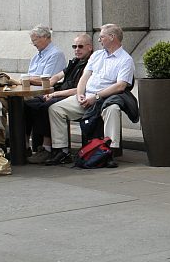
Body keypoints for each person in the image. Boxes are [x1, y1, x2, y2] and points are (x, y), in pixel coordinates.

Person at [46, 24, 136, 164]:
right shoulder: (97, 55)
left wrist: (96, 97)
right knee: (55, 109)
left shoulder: (125, 60)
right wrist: (80, 94)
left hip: (107, 98)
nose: (99, 40)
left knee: (112, 109)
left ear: (112, 37)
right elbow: (84, 77)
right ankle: (62, 151)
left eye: (101, 37)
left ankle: (108, 152)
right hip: (86, 96)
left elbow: (120, 86)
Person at [24, 33, 92, 164]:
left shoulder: (90, 63)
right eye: (74, 46)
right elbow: (58, 76)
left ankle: (47, 148)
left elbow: (80, 90)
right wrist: (48, 84)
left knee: (45, 107)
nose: (77, 49)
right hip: (59, 92)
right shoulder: (75, 61)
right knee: (28, 104)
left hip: (72, 96)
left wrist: (54, 94)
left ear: (89, 47)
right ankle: (25, 146)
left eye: (80, 46)